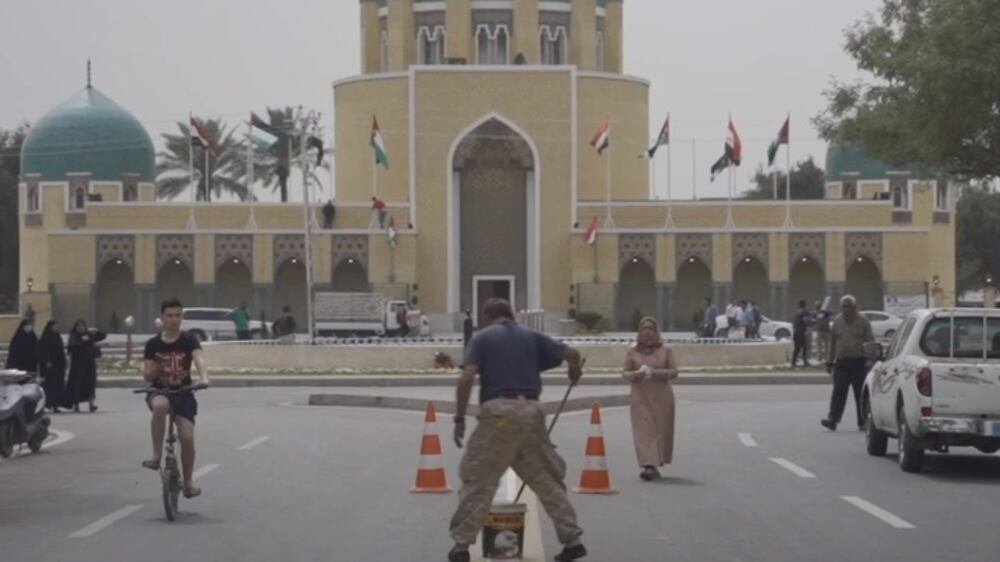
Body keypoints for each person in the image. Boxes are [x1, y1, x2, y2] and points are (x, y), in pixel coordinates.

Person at [448, 298, 586, 562]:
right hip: (531, 413)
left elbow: (466, 378)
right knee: (546, 478)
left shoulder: (483, 338)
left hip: (499, 413)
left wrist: (459, 419)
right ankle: (572, 539)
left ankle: (461, 545)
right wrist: (574, 372)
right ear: (511, 314)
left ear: (487, 316)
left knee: (479, 478)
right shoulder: (532, 336)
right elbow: (573, 354)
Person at [142, 298, 210, 498]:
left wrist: (204, 378)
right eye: (169, 316)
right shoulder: (153, 344)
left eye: (178, 315)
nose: (174, 320)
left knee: (187, 438)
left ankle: (188, 482)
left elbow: (199, 358)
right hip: (160, 390)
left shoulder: (189, 340)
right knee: (160, 406)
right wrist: (158, 366)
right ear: (162, 317)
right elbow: (147, 376)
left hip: (183, 391)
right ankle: (156, 456)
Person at [622, 317, 678, 481]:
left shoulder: (666, 350)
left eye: (650, 329)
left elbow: (674, 371)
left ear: (656, 331)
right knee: (644, 431)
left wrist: (655, 373)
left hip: (662, 397)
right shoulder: (632, 352)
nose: (647, 333)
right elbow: (625, 373)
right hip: (640, 396)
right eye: (644, 329)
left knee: (660, 431)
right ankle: (648, 465)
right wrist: (635, 375)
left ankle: (656, 462)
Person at [821, 295, 874, 432]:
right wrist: (829, 362)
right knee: (839, 390)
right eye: (844, 306)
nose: (847, 309)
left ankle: (863, 421)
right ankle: (832, 419)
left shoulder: (863, 321)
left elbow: (870, 341)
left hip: (858, 362)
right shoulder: (837, 322)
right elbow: (832, 344)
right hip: (842, 363)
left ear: (855, 307)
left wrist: (870, 360)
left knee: (860, 393)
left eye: (849, 306)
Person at [63, 320, 106, 413]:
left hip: (89, 364)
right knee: (78, 384)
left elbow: (102, 336)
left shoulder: (88, 334)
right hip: (78, 365)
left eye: (83, 326)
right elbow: (74, 346)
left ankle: (91, 404)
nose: (81, 328)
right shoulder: (74, 336)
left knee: (91, 384)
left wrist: (96, 331)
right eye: (79, 326)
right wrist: (83, 340)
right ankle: (76, 404)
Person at [38, 320, 67, 412]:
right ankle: (46, 404)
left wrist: (64, 363)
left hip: (58, 365)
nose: (57, 327)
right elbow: (41, 351)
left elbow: (61, 352)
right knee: (48, 385)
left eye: (57, 326)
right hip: (48, 366)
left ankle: (56, 405)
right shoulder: (45, 338)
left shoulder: (58, 337)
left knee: (58, 385)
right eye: (55, 326)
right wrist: (46, 361)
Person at [791, 301, 813, 367]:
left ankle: (793, 363)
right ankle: (805, 362)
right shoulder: (804, 312)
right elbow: (806, 321)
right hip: (800, 332)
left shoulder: (796, 312)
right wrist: (814, 322)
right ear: (805, 305)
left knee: (797, 348)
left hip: (795, 332)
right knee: (804, 347)